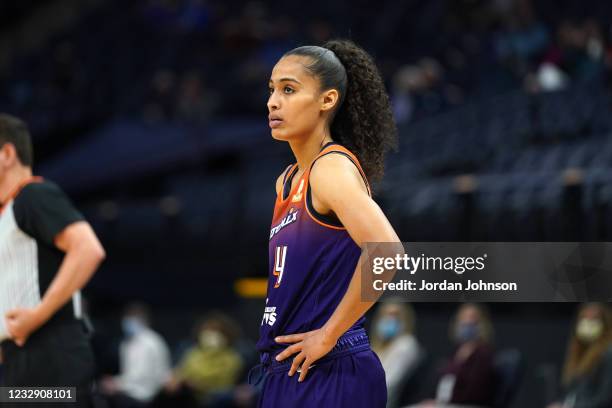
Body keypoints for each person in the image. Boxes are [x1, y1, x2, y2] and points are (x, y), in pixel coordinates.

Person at [255, 39, 401, 407]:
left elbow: (387, 252)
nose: (273, 101)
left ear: (327, 100)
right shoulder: (286, 180)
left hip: (332, 368)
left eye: (289, 89)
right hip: (289, 369)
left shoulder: (330, 168)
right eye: (272, 89)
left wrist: (328, 335)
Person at [0, 113, 106, 406]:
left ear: (7, 153)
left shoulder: (33, 195)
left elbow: (88, 249)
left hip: (50, 355)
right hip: (21, 361)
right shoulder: (8, 213)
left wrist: (37, 315)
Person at [417, 303, 497, 407]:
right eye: (463, 318)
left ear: (481, 323)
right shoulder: (456, 352)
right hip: (445, 403)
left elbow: (475, 391)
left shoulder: (483, 353)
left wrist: (443, 403)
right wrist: (435, 400)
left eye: (472, 317)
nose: (467, 322)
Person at [100, 303, 171, 407]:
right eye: (127, 317)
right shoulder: (126, 342)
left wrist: (116, 384)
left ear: (142, 320)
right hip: (129, 392)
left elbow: (141, 374)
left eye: (132, 318)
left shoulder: (151, 341)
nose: (127, 322)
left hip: (147, 395)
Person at [547, 302, 612, 408]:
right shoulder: (578, 352)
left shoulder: (609, 353)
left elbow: (605, 399)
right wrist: (560, 404)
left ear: (605, 323)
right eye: (584, 319)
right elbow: (572, 393)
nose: (587, 323)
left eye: (593, 319)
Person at [371, 302, 422, 408]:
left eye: (395, 315)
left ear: (405, 320)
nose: (389, 320)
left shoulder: (406, 344)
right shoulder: (376, 346)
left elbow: (389, 383)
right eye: (385, 315)